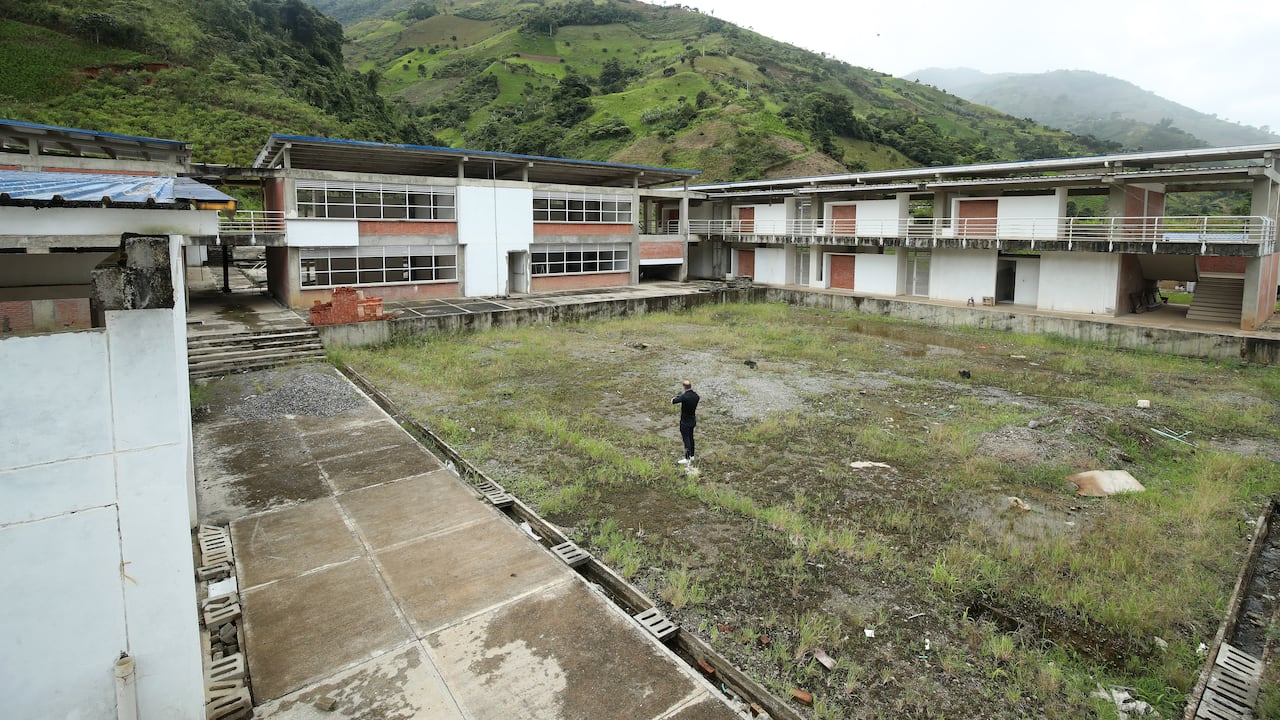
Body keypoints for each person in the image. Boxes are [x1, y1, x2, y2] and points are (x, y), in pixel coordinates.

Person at [671, 380, 700, 464]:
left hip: (684, 421)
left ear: (684, 387)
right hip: (692, 420)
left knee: (686, 439)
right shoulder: (696, 396)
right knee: (691, 438)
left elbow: (673, 401)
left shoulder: (684, 397)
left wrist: (678, 396)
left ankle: (687, 458)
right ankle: (692, 456)